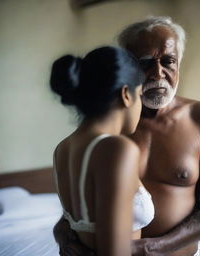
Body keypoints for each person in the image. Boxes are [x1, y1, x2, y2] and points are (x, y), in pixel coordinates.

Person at [53, 16, 200, 256]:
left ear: (179, 63)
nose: (158, 73)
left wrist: (153, 247)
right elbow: (84, 203)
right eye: (145, 63)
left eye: (168, 61)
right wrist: (63, 229)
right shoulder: (108, 134)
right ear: (128, 69)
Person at [50, 46, 155, 256]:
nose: (141, 108)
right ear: (126, 94)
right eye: (140, 95)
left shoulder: (62, 149)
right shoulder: (117, 149)